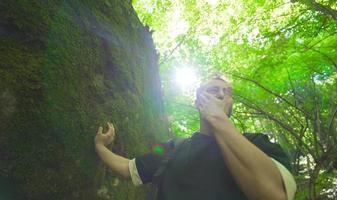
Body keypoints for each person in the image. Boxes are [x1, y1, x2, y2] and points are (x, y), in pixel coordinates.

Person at [94, 75, 297, 200]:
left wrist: (218, 120)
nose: (221, 95)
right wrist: (101, 146)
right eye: (213, 90)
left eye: (227, 92)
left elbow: (274, 195)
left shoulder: (259, 143)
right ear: (197, 101)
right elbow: (129, 169)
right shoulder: (173, 147)